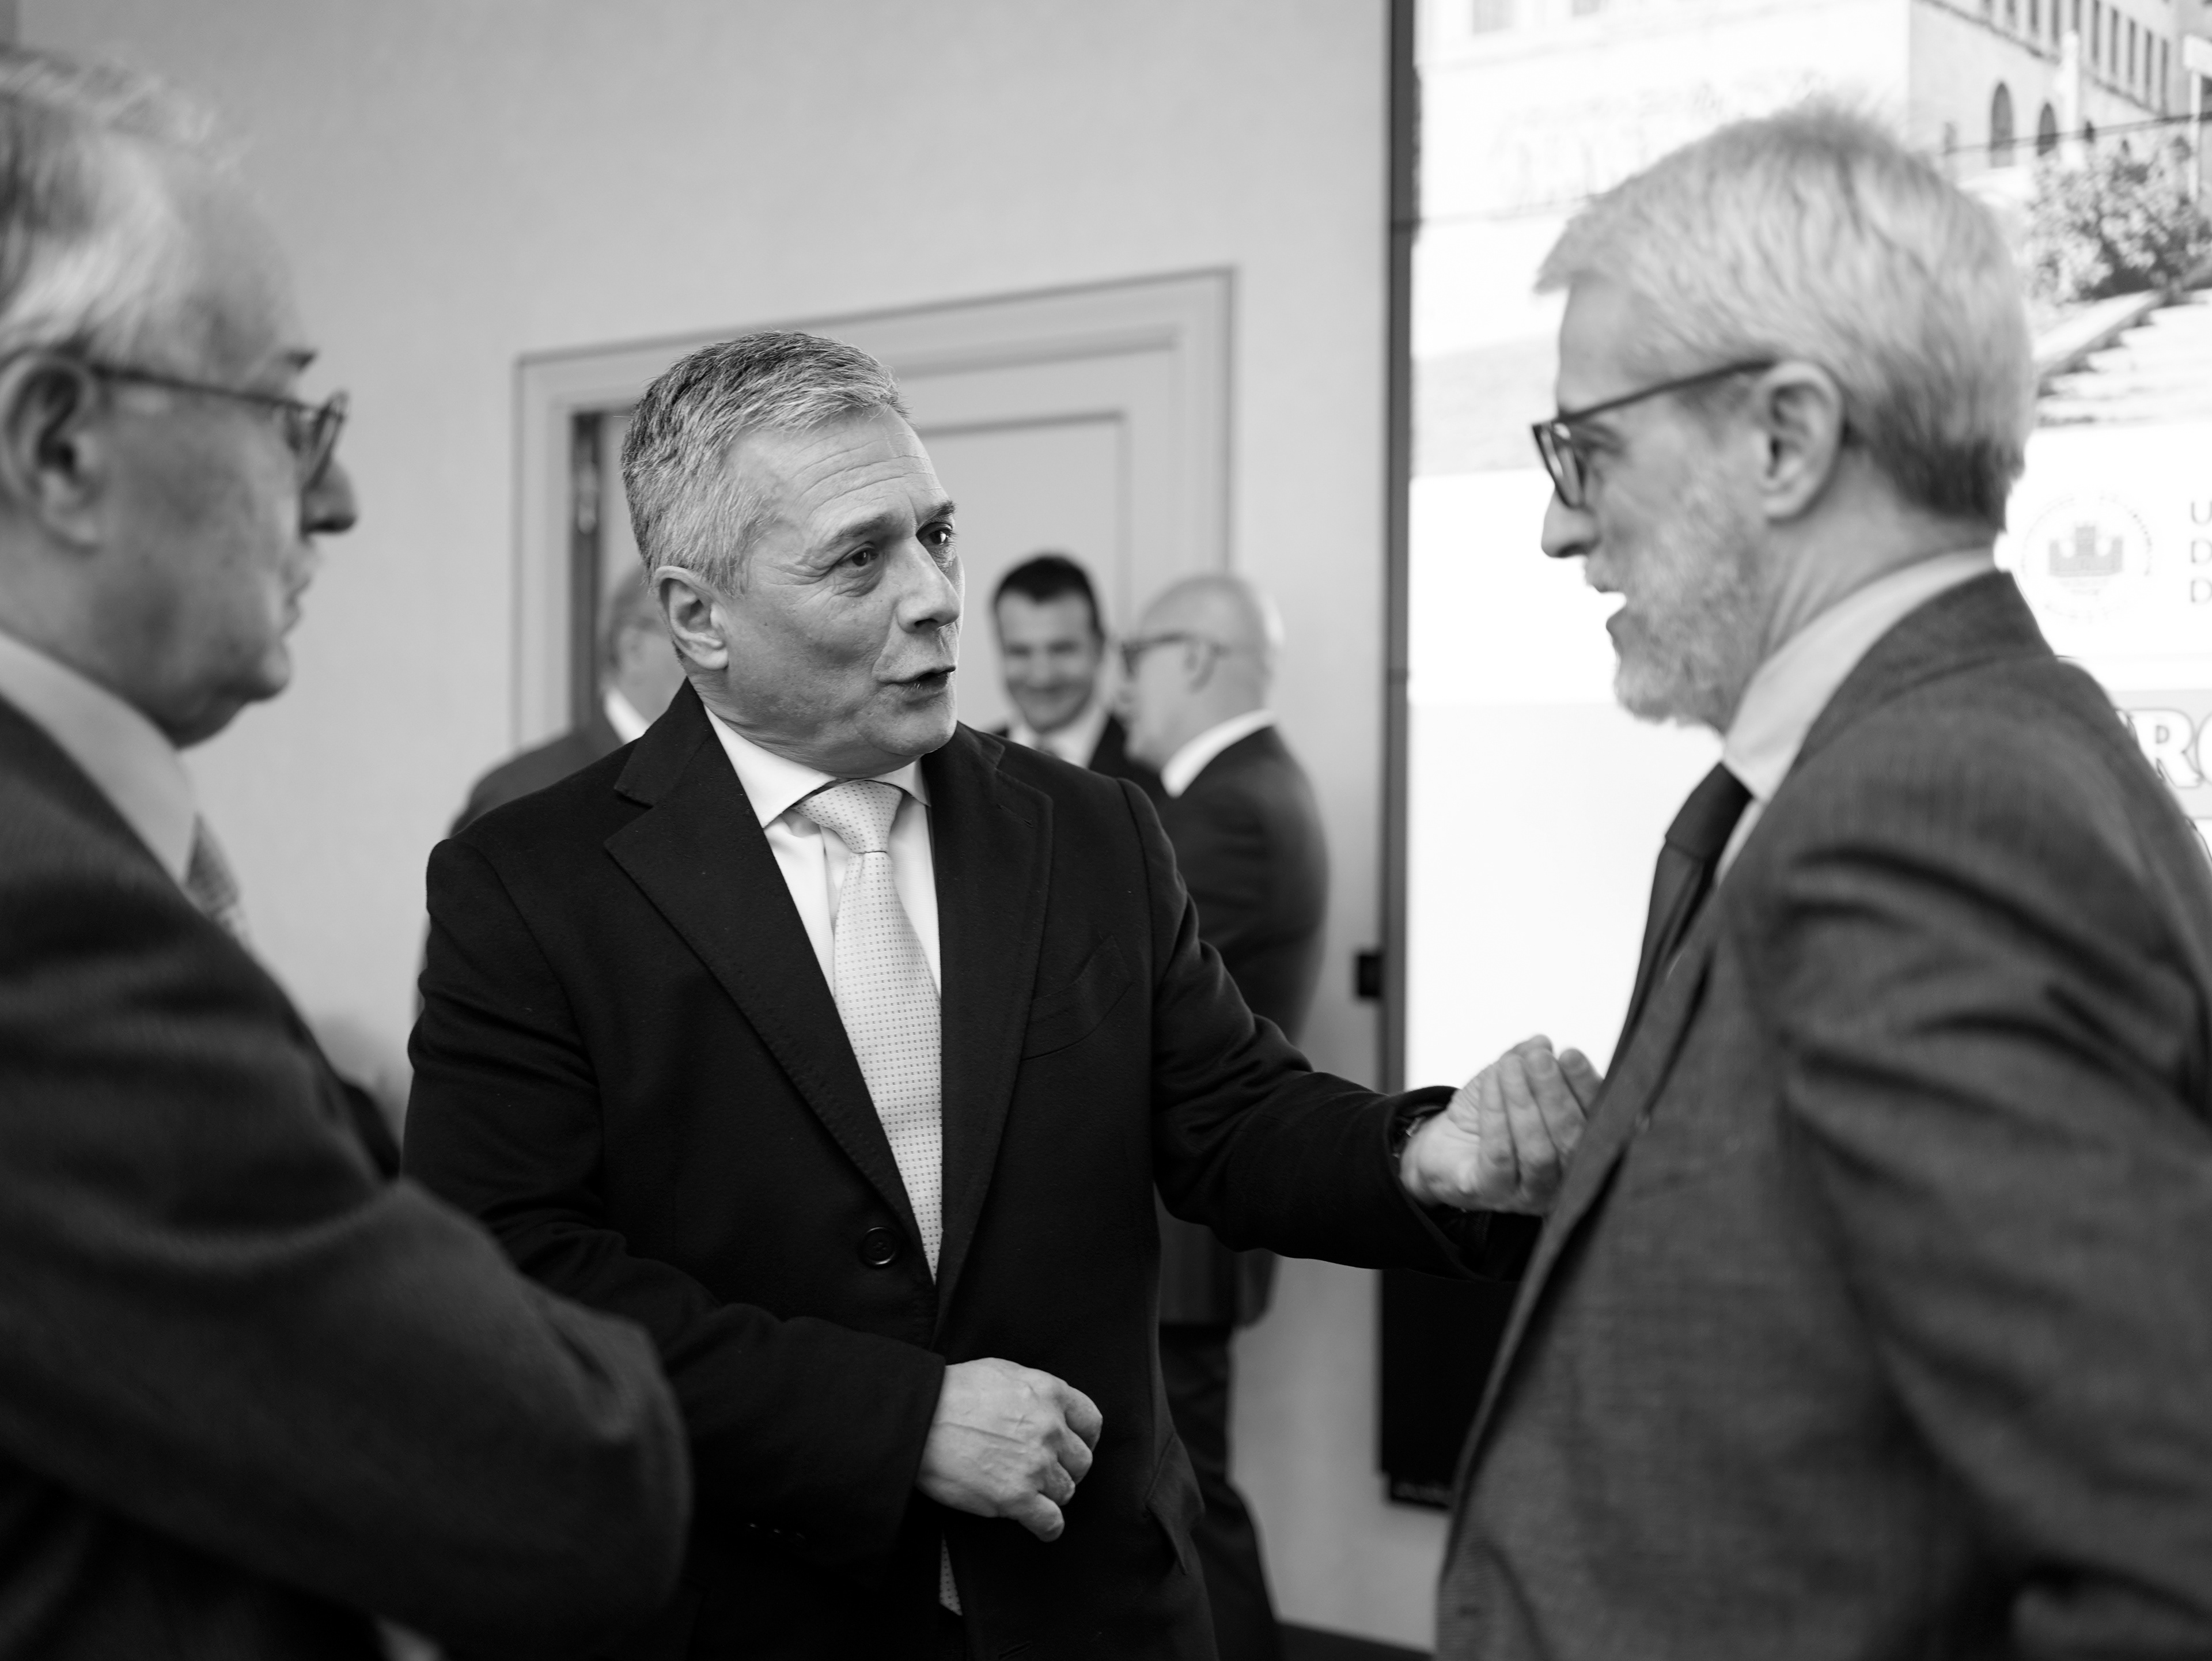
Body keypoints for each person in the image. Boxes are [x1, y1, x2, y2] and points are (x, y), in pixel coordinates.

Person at [404, 331, 1590, 1661]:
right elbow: (511, 1270)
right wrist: (892, 1419)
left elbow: (1230, 1113)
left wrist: (1426, 1153)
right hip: (745, 1606)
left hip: (1091, 1603)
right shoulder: (532, 885)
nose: (933, 596)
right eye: (859, 559)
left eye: (937, 534)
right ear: (699, 618)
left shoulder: (1089, 831)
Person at [1437, 103, 2212, 1659]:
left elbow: (2166, 1545)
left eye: (1587, 449)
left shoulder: (1932, 816)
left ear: (1784, 439)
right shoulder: (1900, 767)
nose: (1555, 524)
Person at [0, 48, 690, 1661]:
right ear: (60, 445)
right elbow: (575, 1479)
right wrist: (360, 1118)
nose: (342, 499)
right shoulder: (48, 922)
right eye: (287, 417)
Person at [1119, 572, 1326, 1661]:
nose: (1122, 685)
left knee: (1190, 1505)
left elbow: (1110, 997)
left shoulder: (1227, 809)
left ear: (1194, 655)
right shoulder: (1249, 788)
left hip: (1180, 1223)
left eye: (1135, 654)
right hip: (1187, 1223)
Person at [454, 574, 685, 830]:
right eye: (695, 638)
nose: (713, 660)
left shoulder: (712, 780)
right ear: (634, 649)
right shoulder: (520, 797)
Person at [987, 551, 1160, 795]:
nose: (1042, 677)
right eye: (1020, 652)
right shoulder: (967, 764)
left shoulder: (1152, 771)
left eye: (1061, 650)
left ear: (1100, 648)